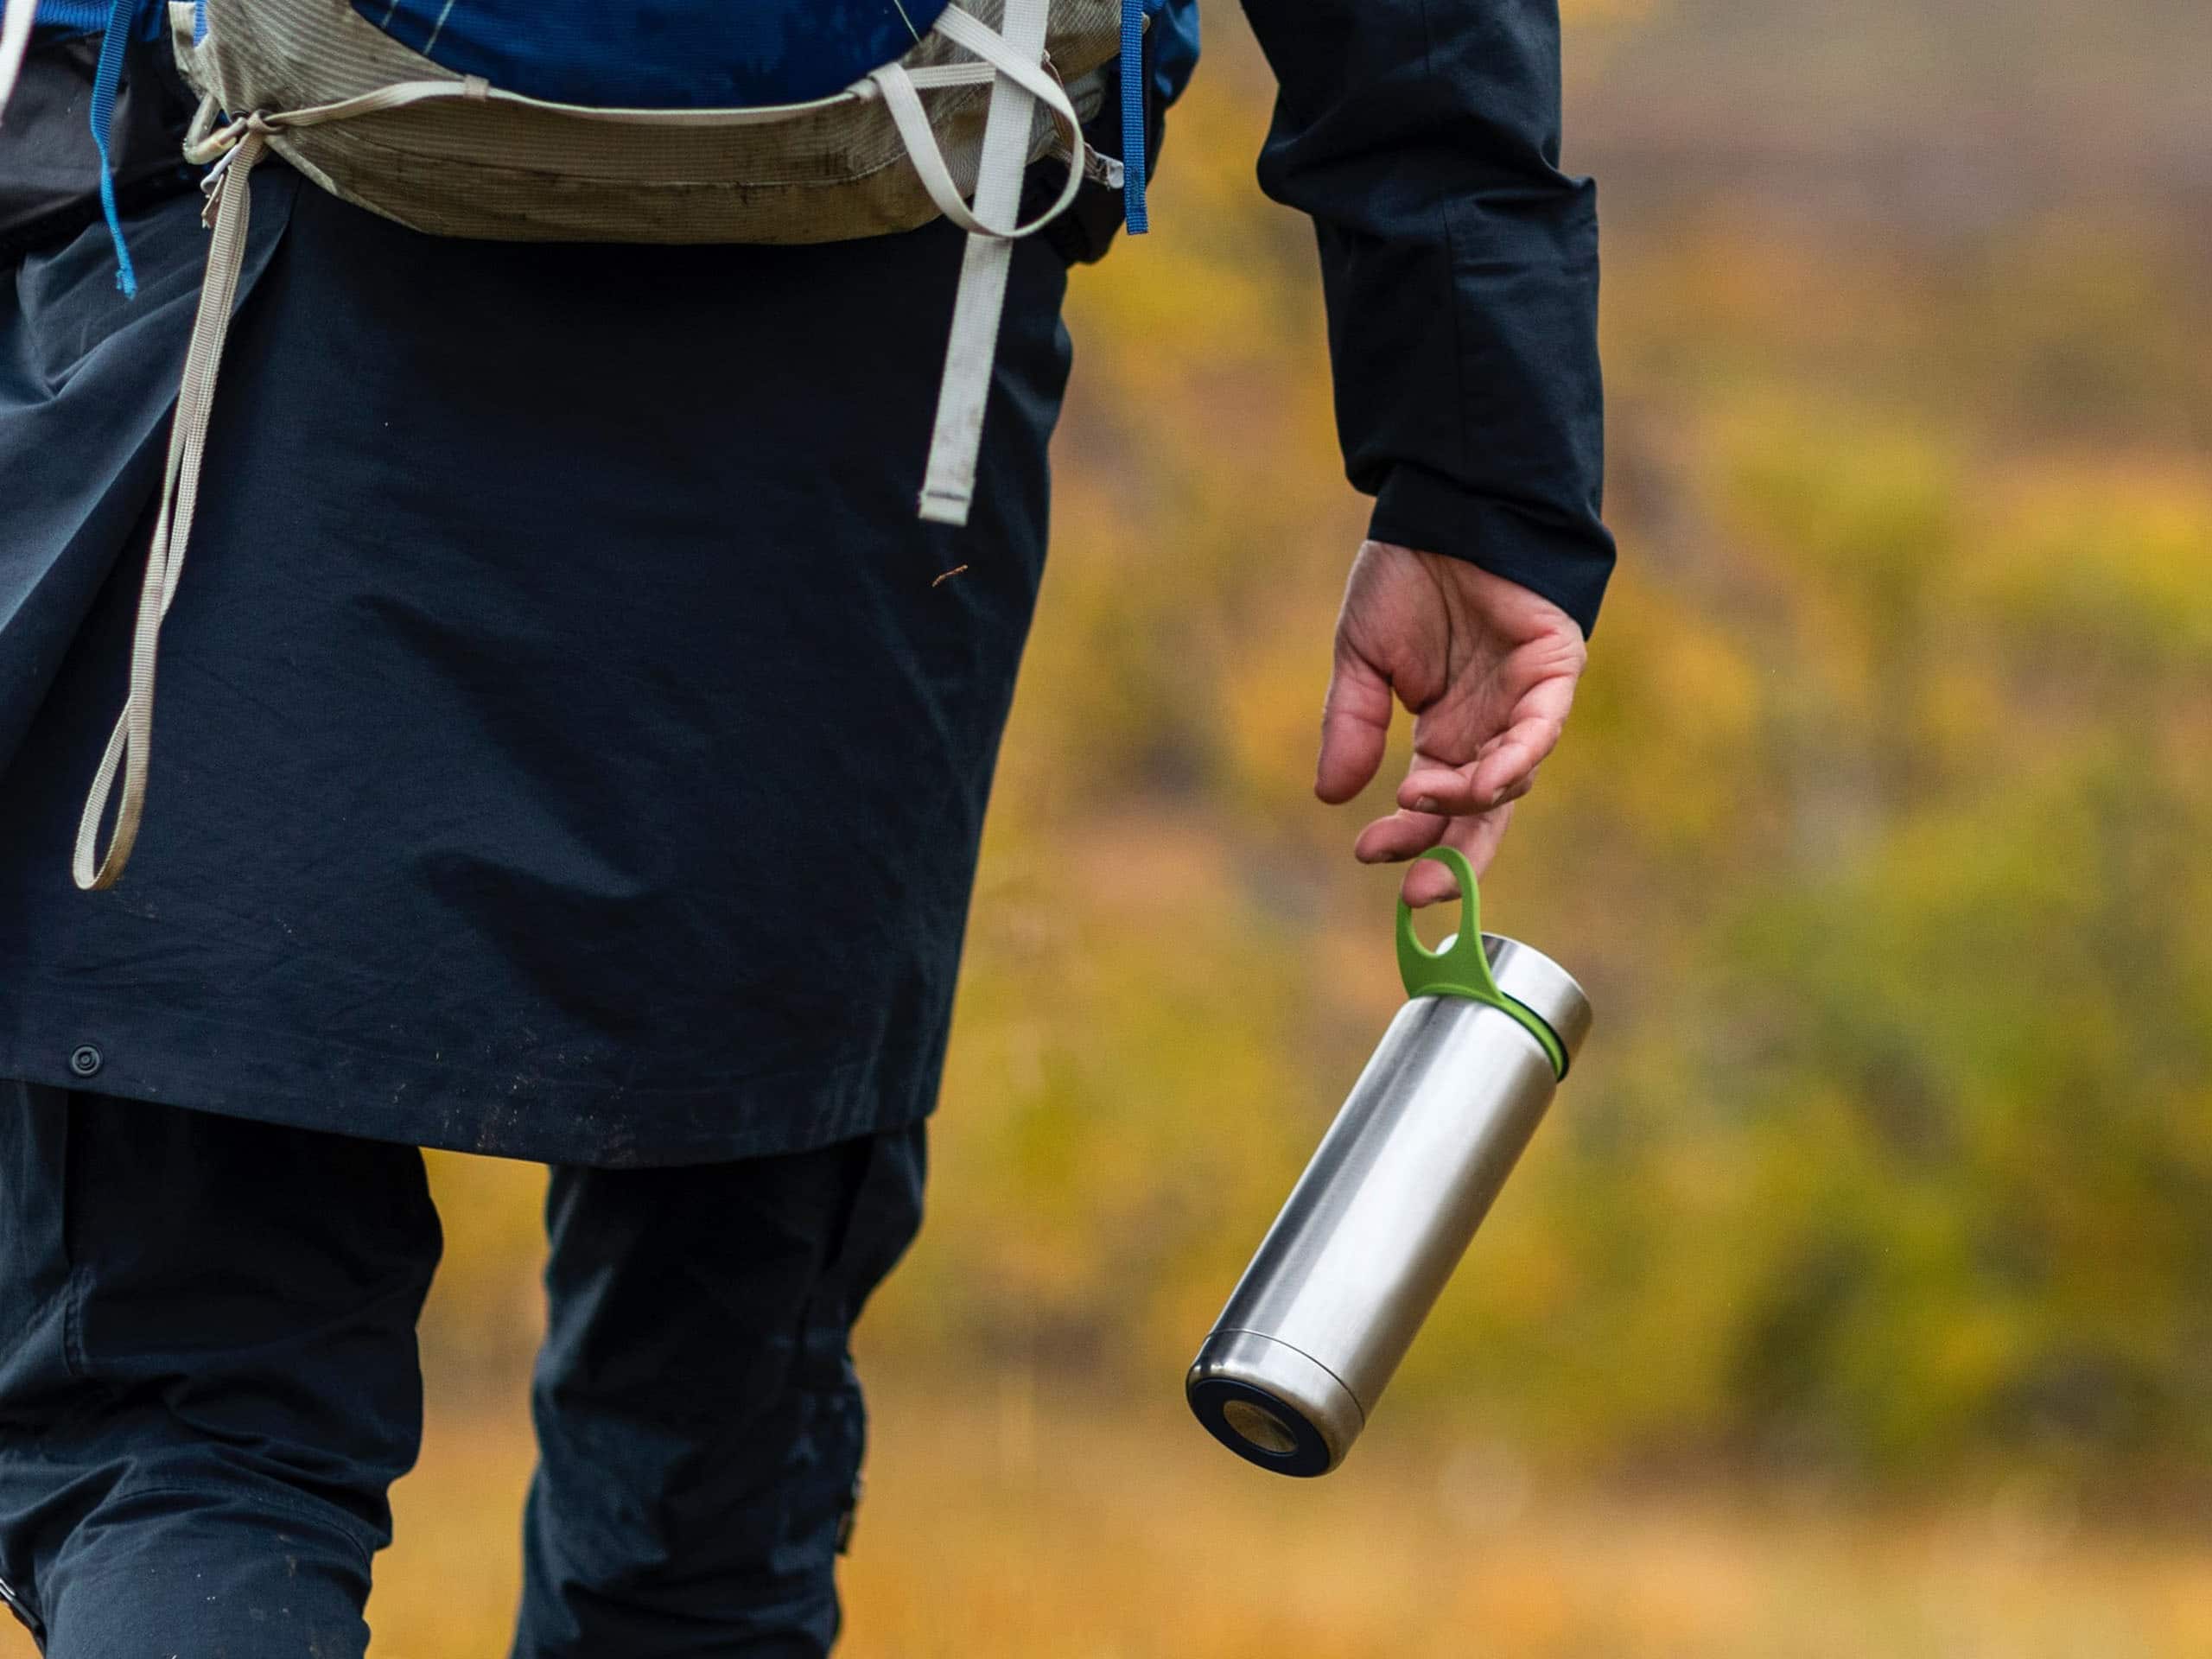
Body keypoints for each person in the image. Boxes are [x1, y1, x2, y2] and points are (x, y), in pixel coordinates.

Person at [0, 1, 1611, 1653]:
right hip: (872, 396)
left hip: (254, 294)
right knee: (707, 1485)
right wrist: (1483, 465)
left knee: (188, 1430)